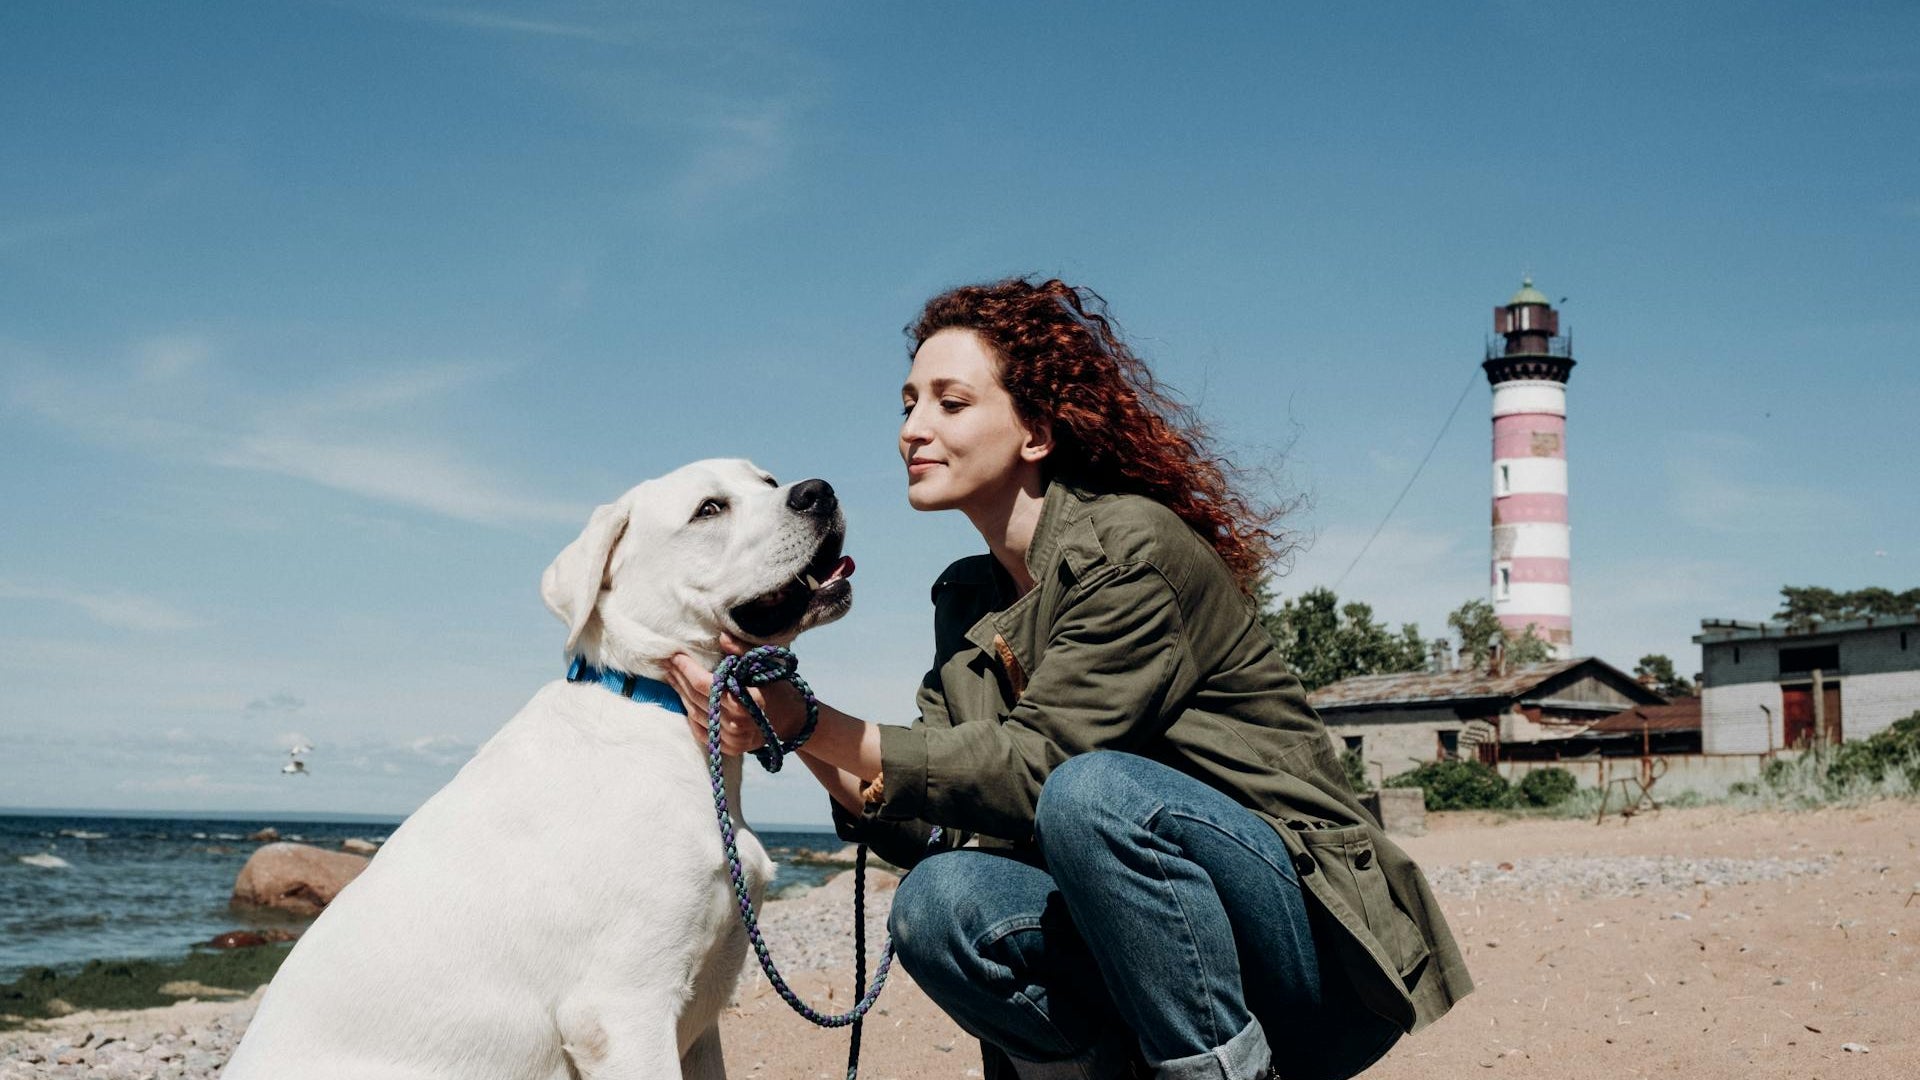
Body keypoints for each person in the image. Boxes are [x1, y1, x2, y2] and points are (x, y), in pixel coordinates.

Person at [666, 278, 1471, 1080]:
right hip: (1150, 966)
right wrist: (788, 729)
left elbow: (1037, 767)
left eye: (950, 404)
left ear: (1037, 433)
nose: (912, 429)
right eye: (908, 403)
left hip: (1317, 965)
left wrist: (811, 719)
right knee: (937, 902)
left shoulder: (1132, 552)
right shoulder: (969, 598)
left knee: (1093, 795)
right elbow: (938, 829)